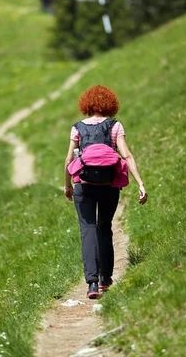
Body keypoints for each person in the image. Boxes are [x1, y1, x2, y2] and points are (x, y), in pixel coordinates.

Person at [64, 85, 147, 299]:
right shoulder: (115, 126)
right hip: (109, 186)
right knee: (104, 228)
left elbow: (69, 160)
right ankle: (106, 279)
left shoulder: (77, 128)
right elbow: (126, 155)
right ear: (110, 104)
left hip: (84, 184)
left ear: (87, 105)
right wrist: (140, 183)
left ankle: (91, 283)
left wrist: (68, 186)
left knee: (87, 229)